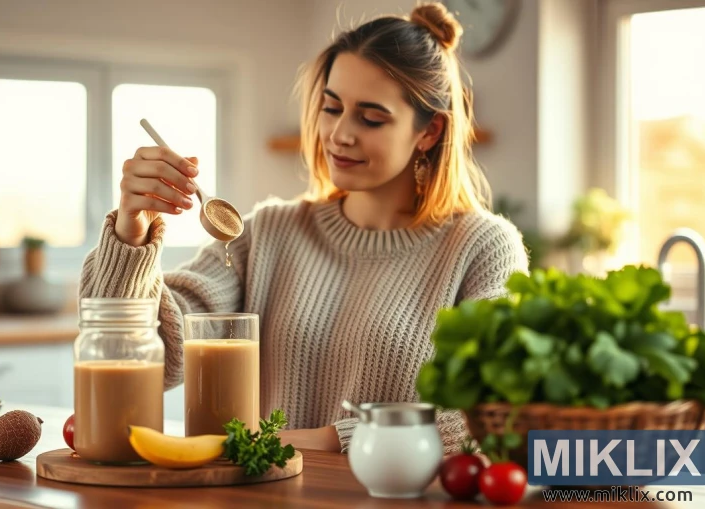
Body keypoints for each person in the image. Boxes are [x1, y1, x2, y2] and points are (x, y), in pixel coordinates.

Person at [79, 1, 528, 454]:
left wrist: (307, 442)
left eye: (371, 118)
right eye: (331, 108)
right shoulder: (267, 233)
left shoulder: (482, 247)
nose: (338, 135)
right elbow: (155, 353)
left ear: (429, 132)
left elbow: (490, 413)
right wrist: (131, 231)